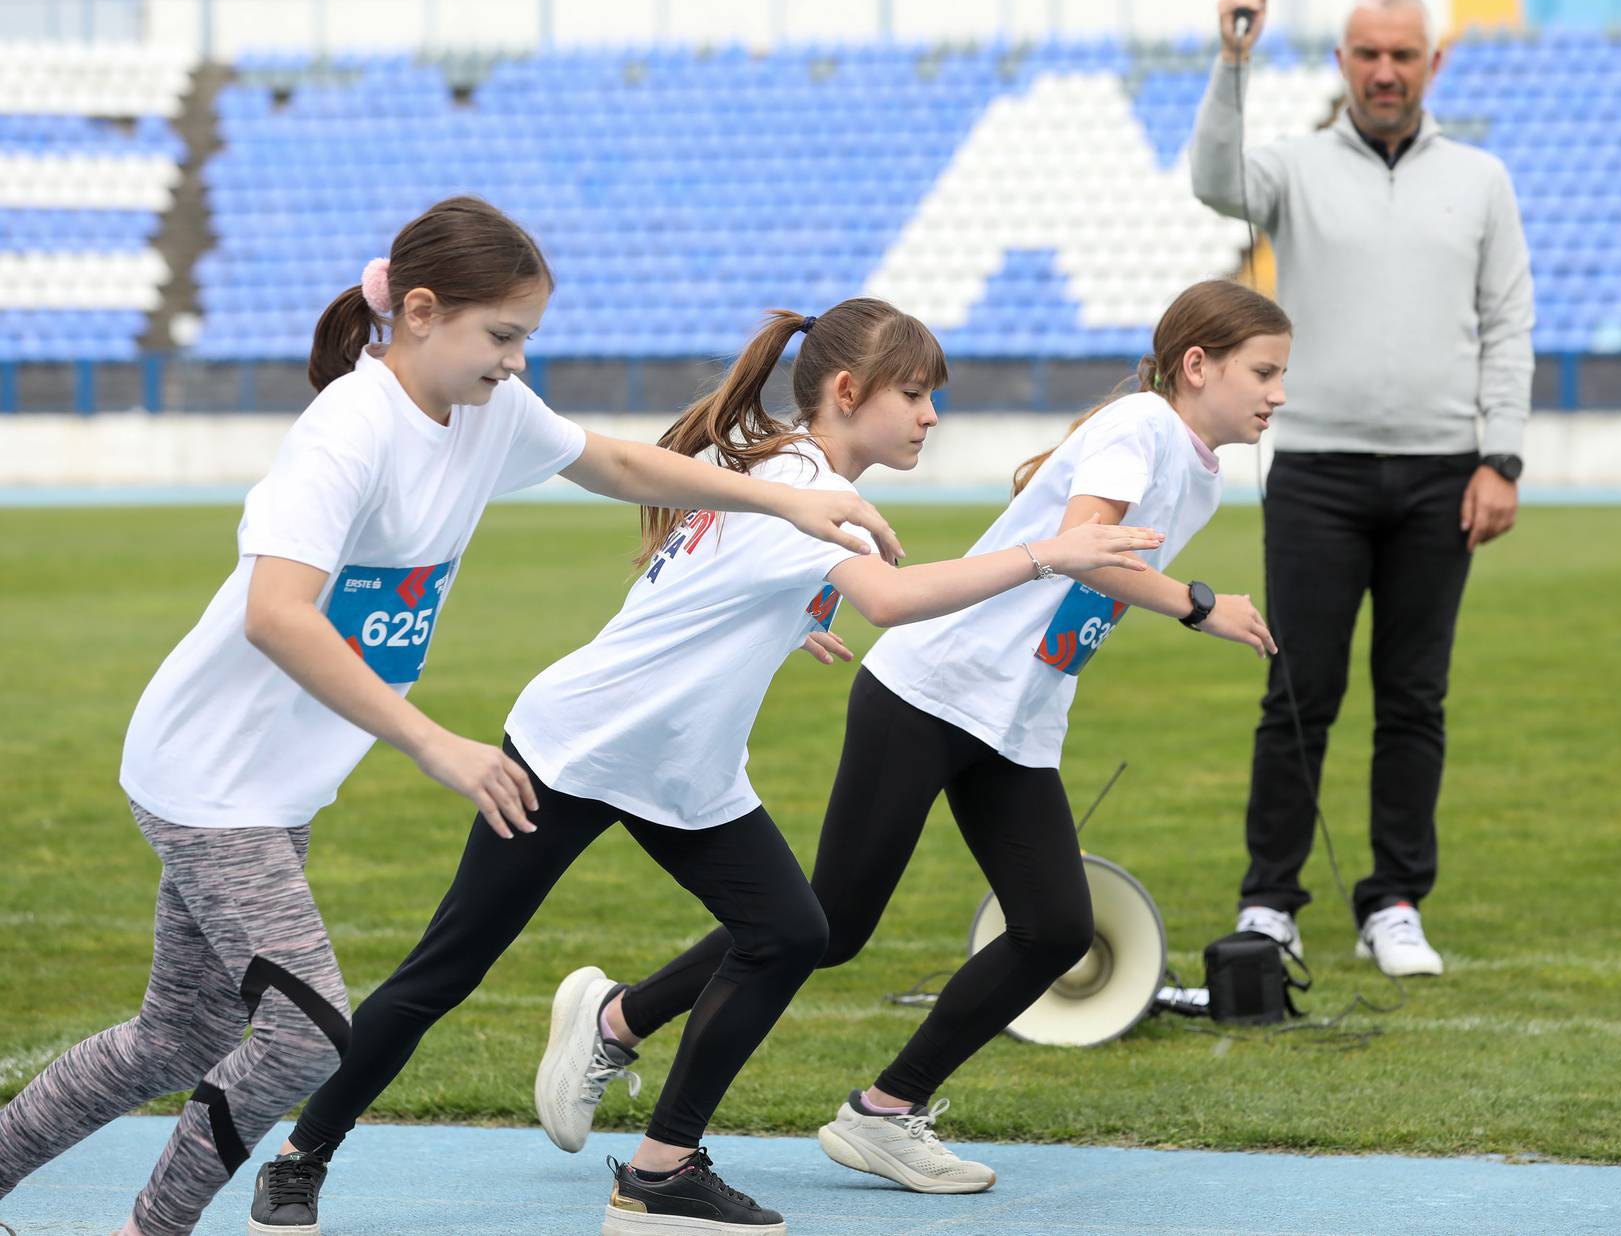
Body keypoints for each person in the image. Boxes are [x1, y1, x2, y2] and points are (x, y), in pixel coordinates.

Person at [0, 197, 910, 1236]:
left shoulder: (484, 411)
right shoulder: (349, 429)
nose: (518, 361)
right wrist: (433, 741)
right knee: (303, 1034)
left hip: (277, 784)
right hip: (211, 782)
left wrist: (784, 499)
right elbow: (275, 615)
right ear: (422, 313)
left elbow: (611, 462)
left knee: (177, 1035)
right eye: (504, 336)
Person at [250, 298, 1162, 1236]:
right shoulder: (805, 485)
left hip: (686, 774)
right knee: (445, 971)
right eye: (917, 395)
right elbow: (889, 600)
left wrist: (799, 614)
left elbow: (734, 578)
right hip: (579, 750)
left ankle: (660, 1171)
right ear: (847, 393)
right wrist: (1047, 551)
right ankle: (297, 1158)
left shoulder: (781, 474)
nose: (932, 415)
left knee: (793, 932)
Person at [535, 278, 1288, 1197]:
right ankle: (617, 1020)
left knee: (1055, 928)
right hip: (931, 690)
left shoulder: (1192, 459)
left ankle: (886, 1112)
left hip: (1015, 716)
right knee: (831, 926)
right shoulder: (1143, 428)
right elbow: (1090, 542)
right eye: (1264, 371)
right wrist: (1200, 604)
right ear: (1198, 366)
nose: (1277, 394)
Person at [1192, 0, 1536, 976]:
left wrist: (1499, 456)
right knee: (1298, 690)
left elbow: (1509, 323)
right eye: (1367, 54)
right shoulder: (1294, 167)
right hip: (1318, 471)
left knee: (1414, 697)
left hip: (1442, 473)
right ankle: (1270, 901)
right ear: (1343, 63)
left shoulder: (1480, 178)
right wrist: (1233, 58)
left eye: (1404, 54)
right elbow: (1213, 179)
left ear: (1432, 63)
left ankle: (1393, 901)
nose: (1385, 71)